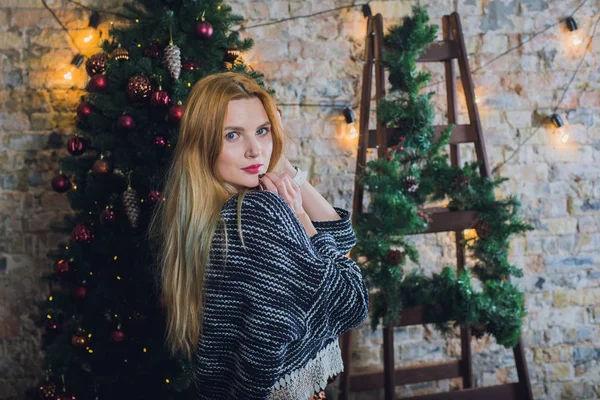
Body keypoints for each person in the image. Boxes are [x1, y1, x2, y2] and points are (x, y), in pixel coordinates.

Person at [149, 71, 369, 400]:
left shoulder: (202, 214)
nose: (254, 150)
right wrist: (298, 215)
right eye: (233, 136)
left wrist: (278, 160)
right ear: (204, 142)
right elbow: (352, 301)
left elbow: (338, 236)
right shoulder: (258, 214)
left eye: (262, 131)